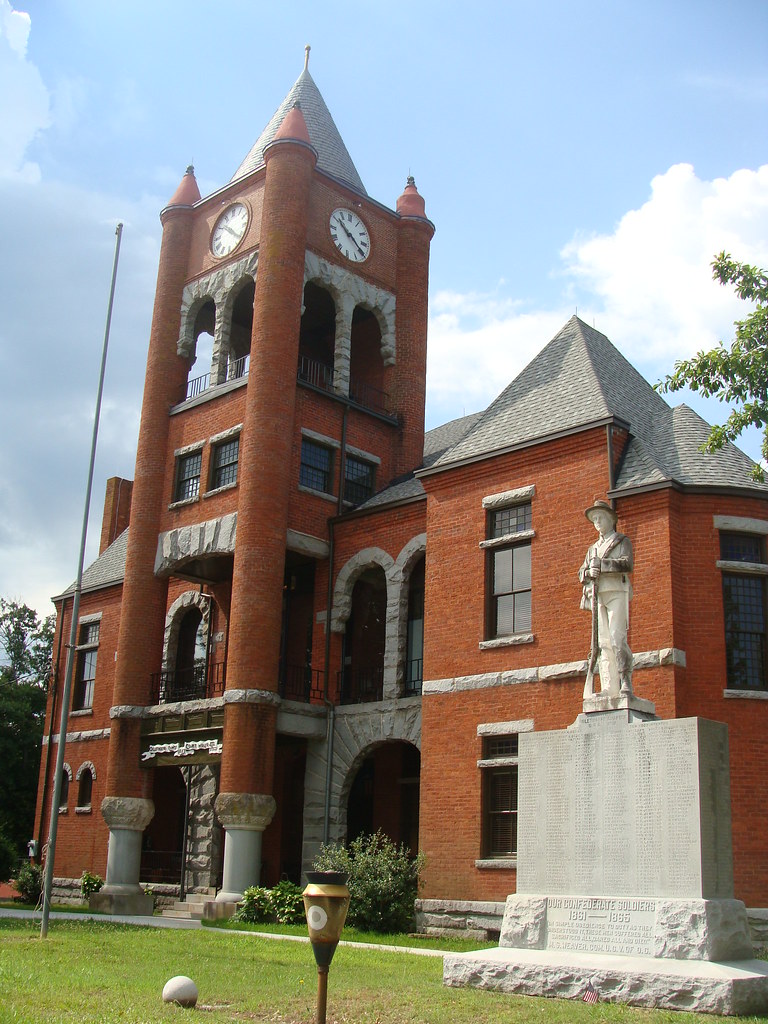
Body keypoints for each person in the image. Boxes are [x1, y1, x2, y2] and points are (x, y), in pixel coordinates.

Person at [579, 499, 633, 697]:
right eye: (594, 519)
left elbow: (627, 564)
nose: (597, 521)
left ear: (611, 519)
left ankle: (625, 680)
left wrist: (602, 565)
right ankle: (608, 687)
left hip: (616, 592)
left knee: (617, 639)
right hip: (597, 596)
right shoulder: (592, 549)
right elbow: (581, 572)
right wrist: (587, 573)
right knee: (602, 643)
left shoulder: (621, 541)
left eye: (600, 517)